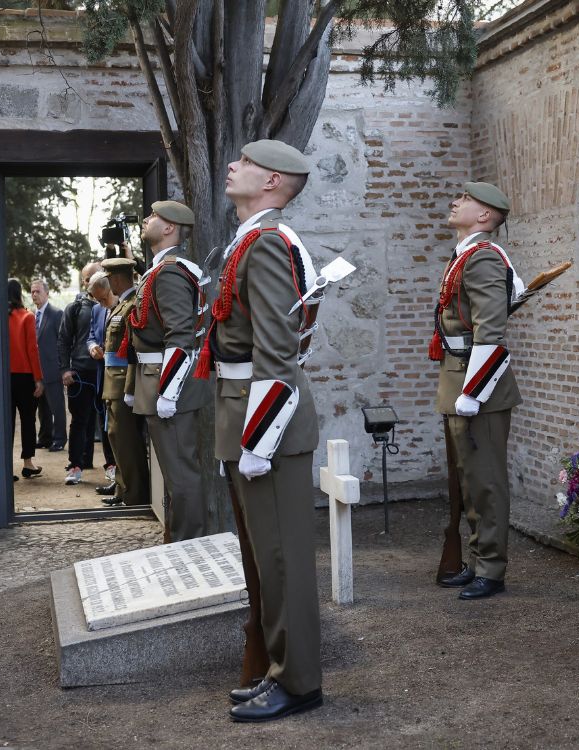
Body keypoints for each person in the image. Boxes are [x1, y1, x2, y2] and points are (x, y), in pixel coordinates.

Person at [209, 140, 323, 722]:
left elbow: (278, 353)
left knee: (281, 562)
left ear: (273, 182)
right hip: (248, 412)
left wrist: (259, 439)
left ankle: (299, 682)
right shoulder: (252, 240)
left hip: (264, 423)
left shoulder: (268, 245)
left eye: (246, 163)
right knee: (265, 559)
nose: (233, 166)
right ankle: (280, 668)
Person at [431, 182, 523, 601]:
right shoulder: (466, 254)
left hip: (475, 383)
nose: (456, 202)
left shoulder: (482, 257)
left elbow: (491, 330)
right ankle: (477, 558)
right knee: (469, 480)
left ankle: (491, 568)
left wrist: (474, 390)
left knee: (485, 480)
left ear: (485, 216)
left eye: (465, 199)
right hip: (459, 375)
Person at [126, 200, 210, 540]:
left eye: (154, 216)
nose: (147, 219)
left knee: (181, 474)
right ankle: (178, 542)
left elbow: (181, 336)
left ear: (170, 228)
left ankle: (189, 547)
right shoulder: (161, 269)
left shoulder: (171, 271)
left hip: (167, 384)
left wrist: (168, 391)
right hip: (157, 380)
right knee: (174, 475)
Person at [98, 258, 149, 507]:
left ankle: (135, 494)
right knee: (116, 436)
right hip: (112, 383)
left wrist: (129, 388)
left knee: (126, 439)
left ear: (117, 279)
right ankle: (123, 488)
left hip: (122, 384)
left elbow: (132, 352)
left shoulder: (131, 306)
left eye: (110, 279)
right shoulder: (121, 305)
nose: (109, 284)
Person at [58, 262, 103, 486]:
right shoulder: (75, 308)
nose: (92, 282)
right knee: (79, 421)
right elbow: (64, 340)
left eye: (97, 277)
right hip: (81, 372)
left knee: (107, 421)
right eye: (88, 278)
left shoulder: (112, 304)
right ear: (84, 282)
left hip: (106, 371)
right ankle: (76, 465)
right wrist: (65, 369)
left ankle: (112, 466)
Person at [7, 278, 44, 479]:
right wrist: (38, 378)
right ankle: (28, 463)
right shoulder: (27, 316)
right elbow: (32, 349)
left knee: (6, 422)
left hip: (5, 377)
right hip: (25, 376)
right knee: (28, 419)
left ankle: (5, 465)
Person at [86, 273, 119, 495]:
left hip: (119, 382)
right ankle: (113, 475)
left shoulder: (123, 305)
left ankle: (123, 482)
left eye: (103, 299)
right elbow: (90, 336)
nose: (100, 303)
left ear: (110, 290)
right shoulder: (97, 310)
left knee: (119, 433)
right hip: (101, 381)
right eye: (97, 300)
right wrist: (91, 348)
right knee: (105, 430)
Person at [31, 278, 66, 452]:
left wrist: (63, 367)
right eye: (32, 292)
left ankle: (59, 439)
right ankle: (45, 437)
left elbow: (63, 342)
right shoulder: (32, 315)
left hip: (53, 368)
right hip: (37, 371)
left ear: (47, 293)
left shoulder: (56, 314)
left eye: (38, 291)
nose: (34, 294)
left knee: (56, 406)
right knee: (42, 408)